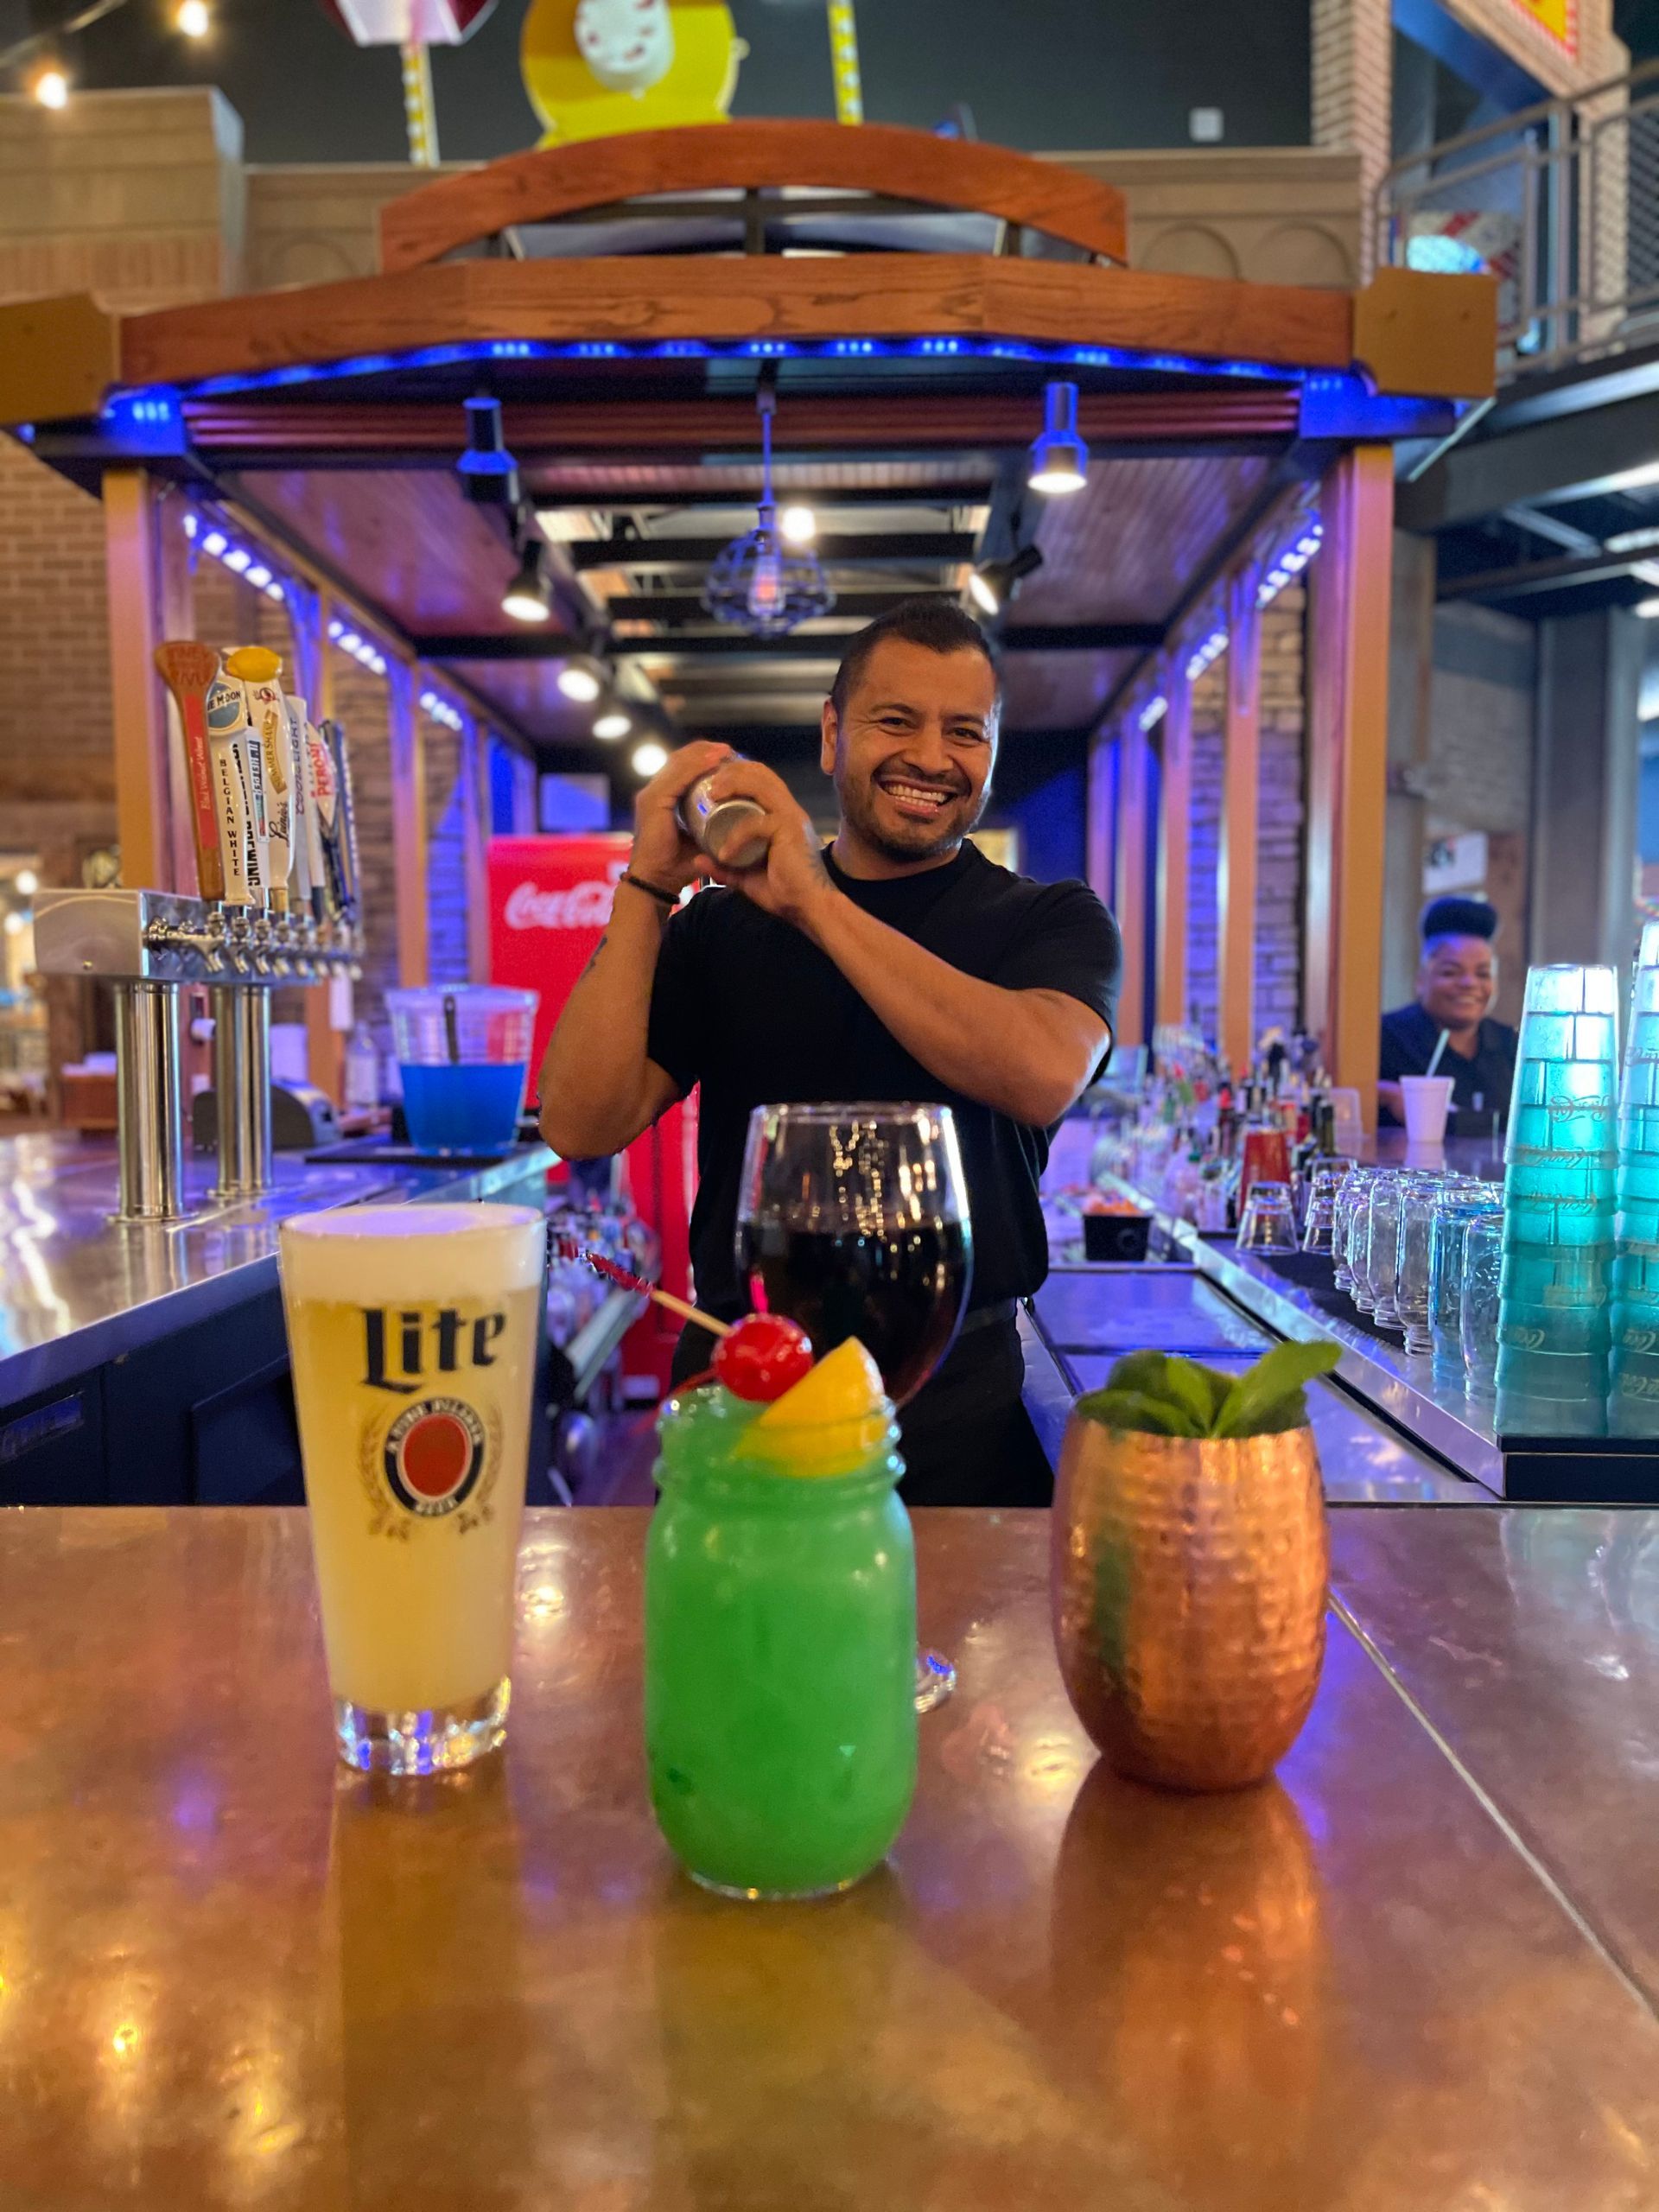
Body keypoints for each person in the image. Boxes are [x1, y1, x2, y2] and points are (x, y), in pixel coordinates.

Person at [538, 598, 1122, 1507]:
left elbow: (1044, 1072)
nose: (931, 756)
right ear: (831, 734)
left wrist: (813, 902)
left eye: (965, 731)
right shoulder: (719, 931)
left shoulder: (1050, 921)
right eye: (896, 720)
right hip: (745, 1380)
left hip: (956, 1402)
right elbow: (580, 1123)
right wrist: (648, 883)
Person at [1377, 895, 1518, 1128]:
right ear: (1421, 980)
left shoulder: (1512, 1046)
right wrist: (1383, 1093)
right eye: (1450, 972)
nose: (1469, 983)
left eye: (1482, 974)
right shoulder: (1385, 1039)